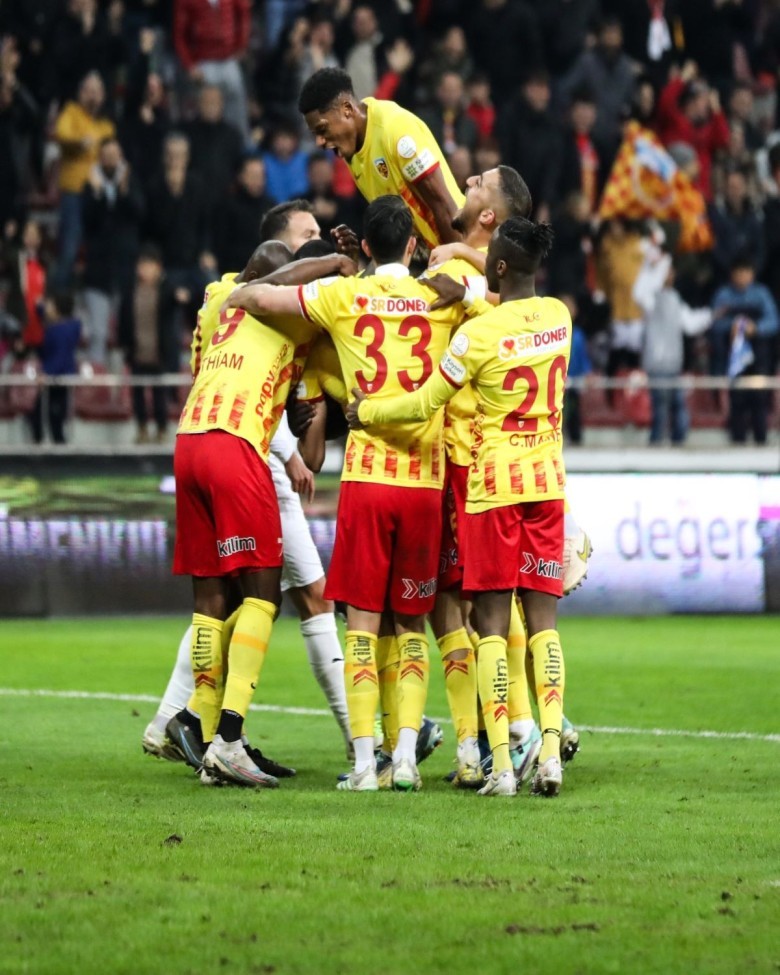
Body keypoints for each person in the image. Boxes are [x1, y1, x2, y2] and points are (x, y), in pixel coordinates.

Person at [224, 196, 469, 792]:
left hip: (368, 479)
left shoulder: (344, 295)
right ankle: (405, 758)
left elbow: (254, 298)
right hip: (424, 480)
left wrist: (270, 281)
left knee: (360, 622)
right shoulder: (442, 299)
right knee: (411, 624)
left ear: (364, 247)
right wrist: (464, 283)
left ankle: (364, 763)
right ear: (412, 246)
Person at [348, 216, 572, 798]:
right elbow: (505, 304)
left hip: (494, 492)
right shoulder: (560, 317)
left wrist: (367, 412)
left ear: (499, 265)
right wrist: (475, 288)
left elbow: (423, 403)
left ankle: (502, 768)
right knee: (544, 628)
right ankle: (550, 754)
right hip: (548, 486)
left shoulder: (476, 338)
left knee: (489, 628)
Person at [172, 237, 353, 788]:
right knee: (262, 596)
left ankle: (201, 728)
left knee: (211, 603)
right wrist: (337, 264)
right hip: (234, 442)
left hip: (189, 442)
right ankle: (226, 737)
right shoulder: (280, 308)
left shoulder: (221, 307)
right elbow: (280, 284)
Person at [298, 67, 465, 247]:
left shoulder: (395, 130)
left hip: (459, 244)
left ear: (347, 109)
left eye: (322, 129)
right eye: (315, 134)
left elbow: (443, 205)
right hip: (424, 256)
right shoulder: (352, 149)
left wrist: (456, 260)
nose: (319, 142)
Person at [632, 246, 712, 445]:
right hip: (657, 364)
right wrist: (653, 266)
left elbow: (690, 324)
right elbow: (638, 293)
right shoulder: (651, 298)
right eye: (667, 270)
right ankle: (657, 445)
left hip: (673, 364)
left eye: (670, 270)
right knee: (660, 407)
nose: (670, 274)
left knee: (678, 407)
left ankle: (678, 445)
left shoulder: (674, 298)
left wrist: (711, 315)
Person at [81, 137, 145, 363]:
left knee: (124, 335)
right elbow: (87, 220)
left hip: (125, 269)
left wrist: (124, 190)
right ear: (100, 158)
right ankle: (96, 381)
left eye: (114, 155)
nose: (110, 160)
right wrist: (99, 193)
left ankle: (120, 381)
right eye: (106, 156)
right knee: (98, 334)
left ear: (121, 157)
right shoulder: (90, 185)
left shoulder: (131, 182)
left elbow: (140, 213)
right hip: (98, 271)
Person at [52, 71, 115, 287]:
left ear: (103, 95)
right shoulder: (71, 113)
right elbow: (62, 135)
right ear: (80, 93)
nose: (92, 95)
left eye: (96, 91)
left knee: (96, 248)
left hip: (97, 195)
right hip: (74, 192)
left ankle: (88, 291)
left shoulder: (106, 124)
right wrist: (81, 142)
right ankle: (58, 293)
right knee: (69, 247)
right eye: (88, 90)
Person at [118, 245, 184, 444]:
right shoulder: (131, 289)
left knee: (159, 394)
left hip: (159, 351)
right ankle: (142, 429)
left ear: (158, 267)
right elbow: (124, 318)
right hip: (137, 350)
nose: (145, 270)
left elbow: (176, 301)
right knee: (137, 393)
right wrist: (125, 344)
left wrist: (180, 297)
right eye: (142, 265)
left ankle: (162, 429)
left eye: (149, 265)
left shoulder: (166, 288)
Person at [711, 255, 779, 445]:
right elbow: (714, 322)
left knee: (759, 397)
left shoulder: (761, 294)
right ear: (732, 275)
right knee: (737, 398)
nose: (742, 277)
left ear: (752, 274)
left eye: (745, 273)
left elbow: (774, 322)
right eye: (738, 273)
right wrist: (732, 327)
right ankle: (737, 441)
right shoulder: (723, 295)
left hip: (759, 355)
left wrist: (755, 328)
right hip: (733, 355)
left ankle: (761, 441)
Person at [173, 0, 251, 141]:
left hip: (228, 60)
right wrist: (189, 66)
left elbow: (243, 13)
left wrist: (242, 44)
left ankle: (241, 144)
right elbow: (179, 35)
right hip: (204, 61)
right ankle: (203, 145)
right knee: (206, 107)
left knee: (237, 104)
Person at [29, 290, 82, 444]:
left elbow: (60, 357)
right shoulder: (60, 327)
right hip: (54, 378)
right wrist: (38, 305)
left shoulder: (62, 331)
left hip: (58, 380)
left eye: (50, 305)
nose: (47, 307)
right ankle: (41, 446)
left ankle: (57, 452)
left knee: (54, 419)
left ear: (58, 309)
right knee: (39, 416)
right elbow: (43, 313)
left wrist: (46, 373)